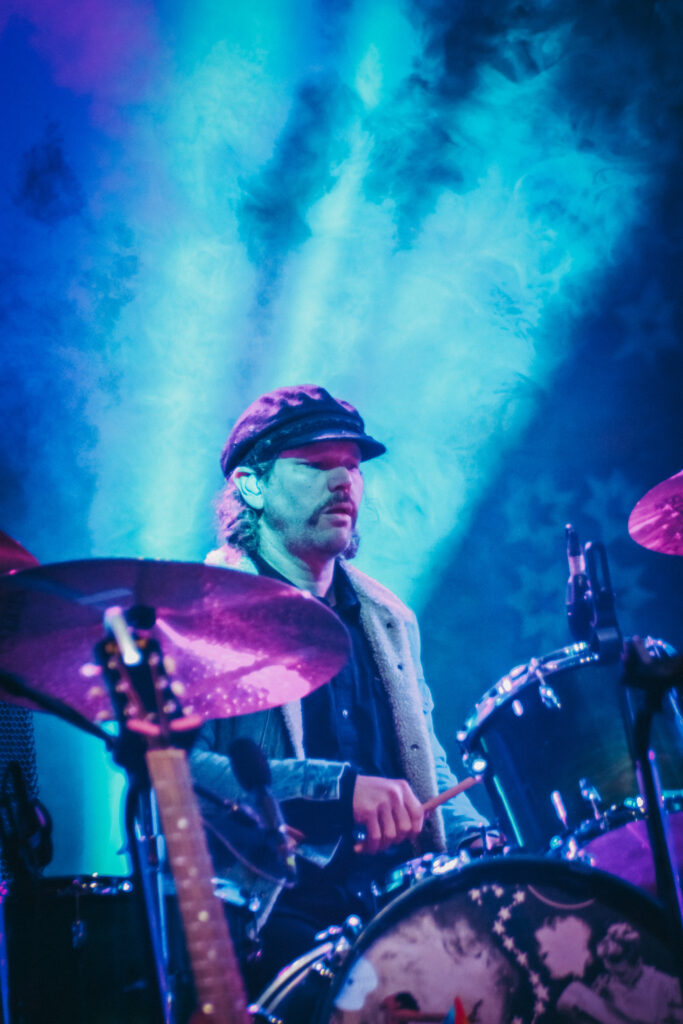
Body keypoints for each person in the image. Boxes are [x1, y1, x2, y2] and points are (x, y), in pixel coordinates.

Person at [189, 384, 489, 998]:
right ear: (251, 486)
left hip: (397, 904)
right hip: (270, 916)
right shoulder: (203, 613)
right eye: (316, 466)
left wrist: (475, 838)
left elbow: (425, 761)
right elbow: (179, 772)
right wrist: (339, 791)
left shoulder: (389, 617)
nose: (343, 483)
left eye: (351, 466)